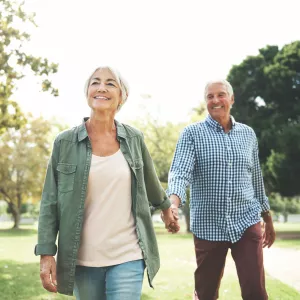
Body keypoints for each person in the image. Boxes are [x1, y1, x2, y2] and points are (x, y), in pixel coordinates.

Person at [35, 66, 179, 299]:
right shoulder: (65, 143)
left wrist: (165, 209)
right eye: (95, 82)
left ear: (122, 96)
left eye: (110, 83)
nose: (102, 87)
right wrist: (46, 253)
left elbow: (150, 181)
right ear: (88, 93)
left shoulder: (134, 139)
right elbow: (50, 202)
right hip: (82, 260)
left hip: (128, 255)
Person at [167, 79, 275, 300]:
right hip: (208, 225)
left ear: (232, 99)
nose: (215, 100)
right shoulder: (192, 134)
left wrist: (267, 217)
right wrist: (173, 204)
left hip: (246, 221)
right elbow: (180, 172)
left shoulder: (248, 135)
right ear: (205, 101)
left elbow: (255, 178)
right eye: (210, 96)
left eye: (221, 95)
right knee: (206, 293)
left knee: (255, 290)